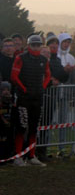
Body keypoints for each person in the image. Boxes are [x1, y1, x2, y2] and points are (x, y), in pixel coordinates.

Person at [10, 34, 51, 166]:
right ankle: (18, 157)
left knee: (34, 128)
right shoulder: (20, 58)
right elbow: (14, 76)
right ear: (28, 45)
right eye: (33, 45)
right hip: (23, 97)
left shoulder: (44, 60)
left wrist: (42, 87)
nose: (36, 47)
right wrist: (24, 89)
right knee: (21, 127)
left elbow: (48, 75)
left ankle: (31, 155)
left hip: (37, 97)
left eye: (38, 45)